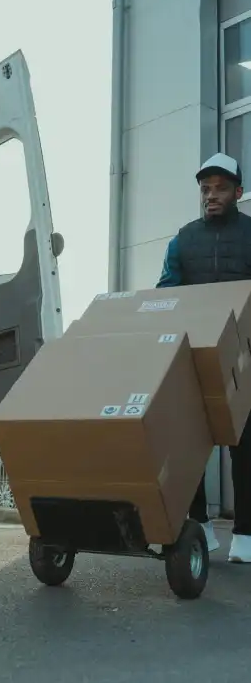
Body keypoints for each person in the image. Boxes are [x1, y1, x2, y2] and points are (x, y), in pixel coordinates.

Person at [156, 152, 251, 563]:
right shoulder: (183, 239)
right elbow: (166, 292)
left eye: (220, 188)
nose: (210, 195)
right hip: (192, 356)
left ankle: (246, 536)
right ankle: (201, 527)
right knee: (189, 446)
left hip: (243, 361)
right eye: (205, 189)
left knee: (244, 448)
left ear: (238, 192)